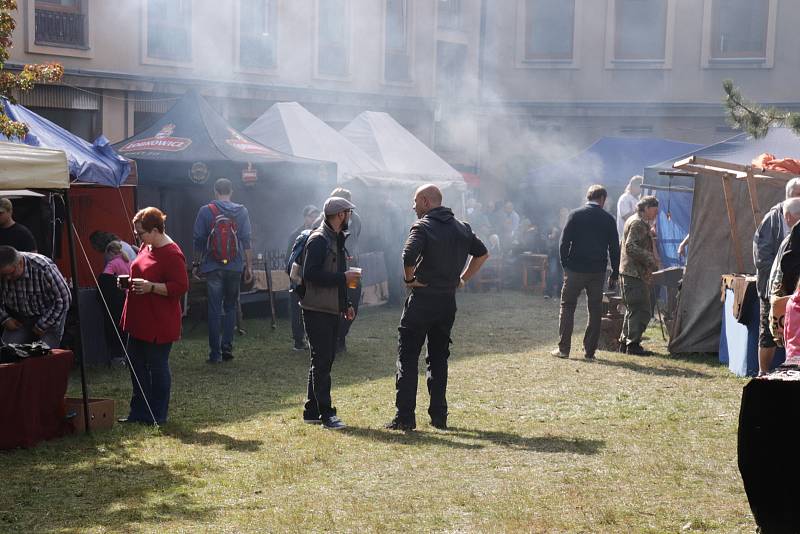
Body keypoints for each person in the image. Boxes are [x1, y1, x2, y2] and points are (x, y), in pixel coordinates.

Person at [385, 184, 488, 431]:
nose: (413, 206)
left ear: (425, 201)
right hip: (446, 303)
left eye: (415, 201)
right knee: (439, 359)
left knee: (408, 357)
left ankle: (405, 417)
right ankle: (439, 416)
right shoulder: (462, 228)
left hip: (422, 300)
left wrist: (409, 280)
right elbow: (482, 254)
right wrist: (462, 278)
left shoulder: (422, 226)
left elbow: (407, 256)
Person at [119, 207, 189, 425]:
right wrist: (128, 283)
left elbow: (180, 287)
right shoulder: (146, 245)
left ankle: (158, 415)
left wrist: (151, 287)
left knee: (157, 367)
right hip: (138, 318)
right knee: (135, 365)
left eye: (140, 233)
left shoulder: (172, 254)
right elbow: (141, 272)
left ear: (156, 230)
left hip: (159, 322)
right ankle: (139, 412)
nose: (137, 237)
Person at [300, 196, 360, 430]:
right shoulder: (318, 240)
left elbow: (339, 272)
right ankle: (327, 414)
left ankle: (311, 410)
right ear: (340, 215)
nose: (350, 218)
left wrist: (346, 303)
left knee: (322, 359)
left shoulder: (336, 238)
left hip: (331, 307)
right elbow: (310, 274)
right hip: (316, 309)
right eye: (348, 213)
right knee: (322, 360)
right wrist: (341, 278)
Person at [551, 185, 619, 360]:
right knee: (595, 310)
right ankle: (589, 352)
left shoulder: (575, 214)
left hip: (574, 269)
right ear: (602, 198)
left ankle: (564, 349)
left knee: (567, 307)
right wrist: (615, 271)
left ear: (588, 197)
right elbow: (614, 248)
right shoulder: (608, 219)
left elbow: (564, 242)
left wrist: (565, 264)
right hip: (597, 271)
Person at [192, 178, 253, 364]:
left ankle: (215, 354)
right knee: (230, 307)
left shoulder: (206, 211)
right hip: (234, 266)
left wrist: (196, 264)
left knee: (214, 309)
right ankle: (227, 347)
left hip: (213, 267)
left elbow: (199, 239)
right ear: (231, 191)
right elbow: (246, 240)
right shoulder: (241, 211)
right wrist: (248, 266)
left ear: (215, 191)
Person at [753, 178, 800, 376]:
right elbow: (762, 255)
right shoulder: (773, 218)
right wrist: (775, 288)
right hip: (774, 287)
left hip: (794, 289)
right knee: (769, 333)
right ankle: (763, 372)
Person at [0, 245, 71, 348]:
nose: (7, 278)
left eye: (10, 273)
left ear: (20, 263)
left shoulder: (43, 267)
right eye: (2, 275)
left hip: (49, 317)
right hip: (19, 319)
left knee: (44, 355)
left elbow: (64, 299)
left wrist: (43, 325)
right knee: (7, 353)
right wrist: (5, 319)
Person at [619, 196, 660, 355]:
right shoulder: (637, 223)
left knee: (632, 309)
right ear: (647, 208)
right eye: (654, 211)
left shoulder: (635, 220)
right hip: (634, 273)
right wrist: (650, 259)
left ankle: (625, 343)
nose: (655, 215)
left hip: (630, 271)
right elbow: (630, 247)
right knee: (642, 309)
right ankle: (633, 345)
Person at [330, 187, 361, 354]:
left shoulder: (356, 219)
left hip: (353, 268)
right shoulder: (326, 221)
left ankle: (341, 335)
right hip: (336, 270)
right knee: (336, 304)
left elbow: (356, 238)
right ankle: (334, 338)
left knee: (354, 302)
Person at [287, 204, 320, 351]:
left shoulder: (319, 233)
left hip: (312, 279)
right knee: (297, 310)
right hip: (298, 278)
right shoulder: (296, 235)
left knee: (313, 310)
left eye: (315, 216)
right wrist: (296, 277)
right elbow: (290, 259)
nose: (313, 218)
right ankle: (298, 341)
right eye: (311, 216)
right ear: (305, 217)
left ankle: (311, 338)